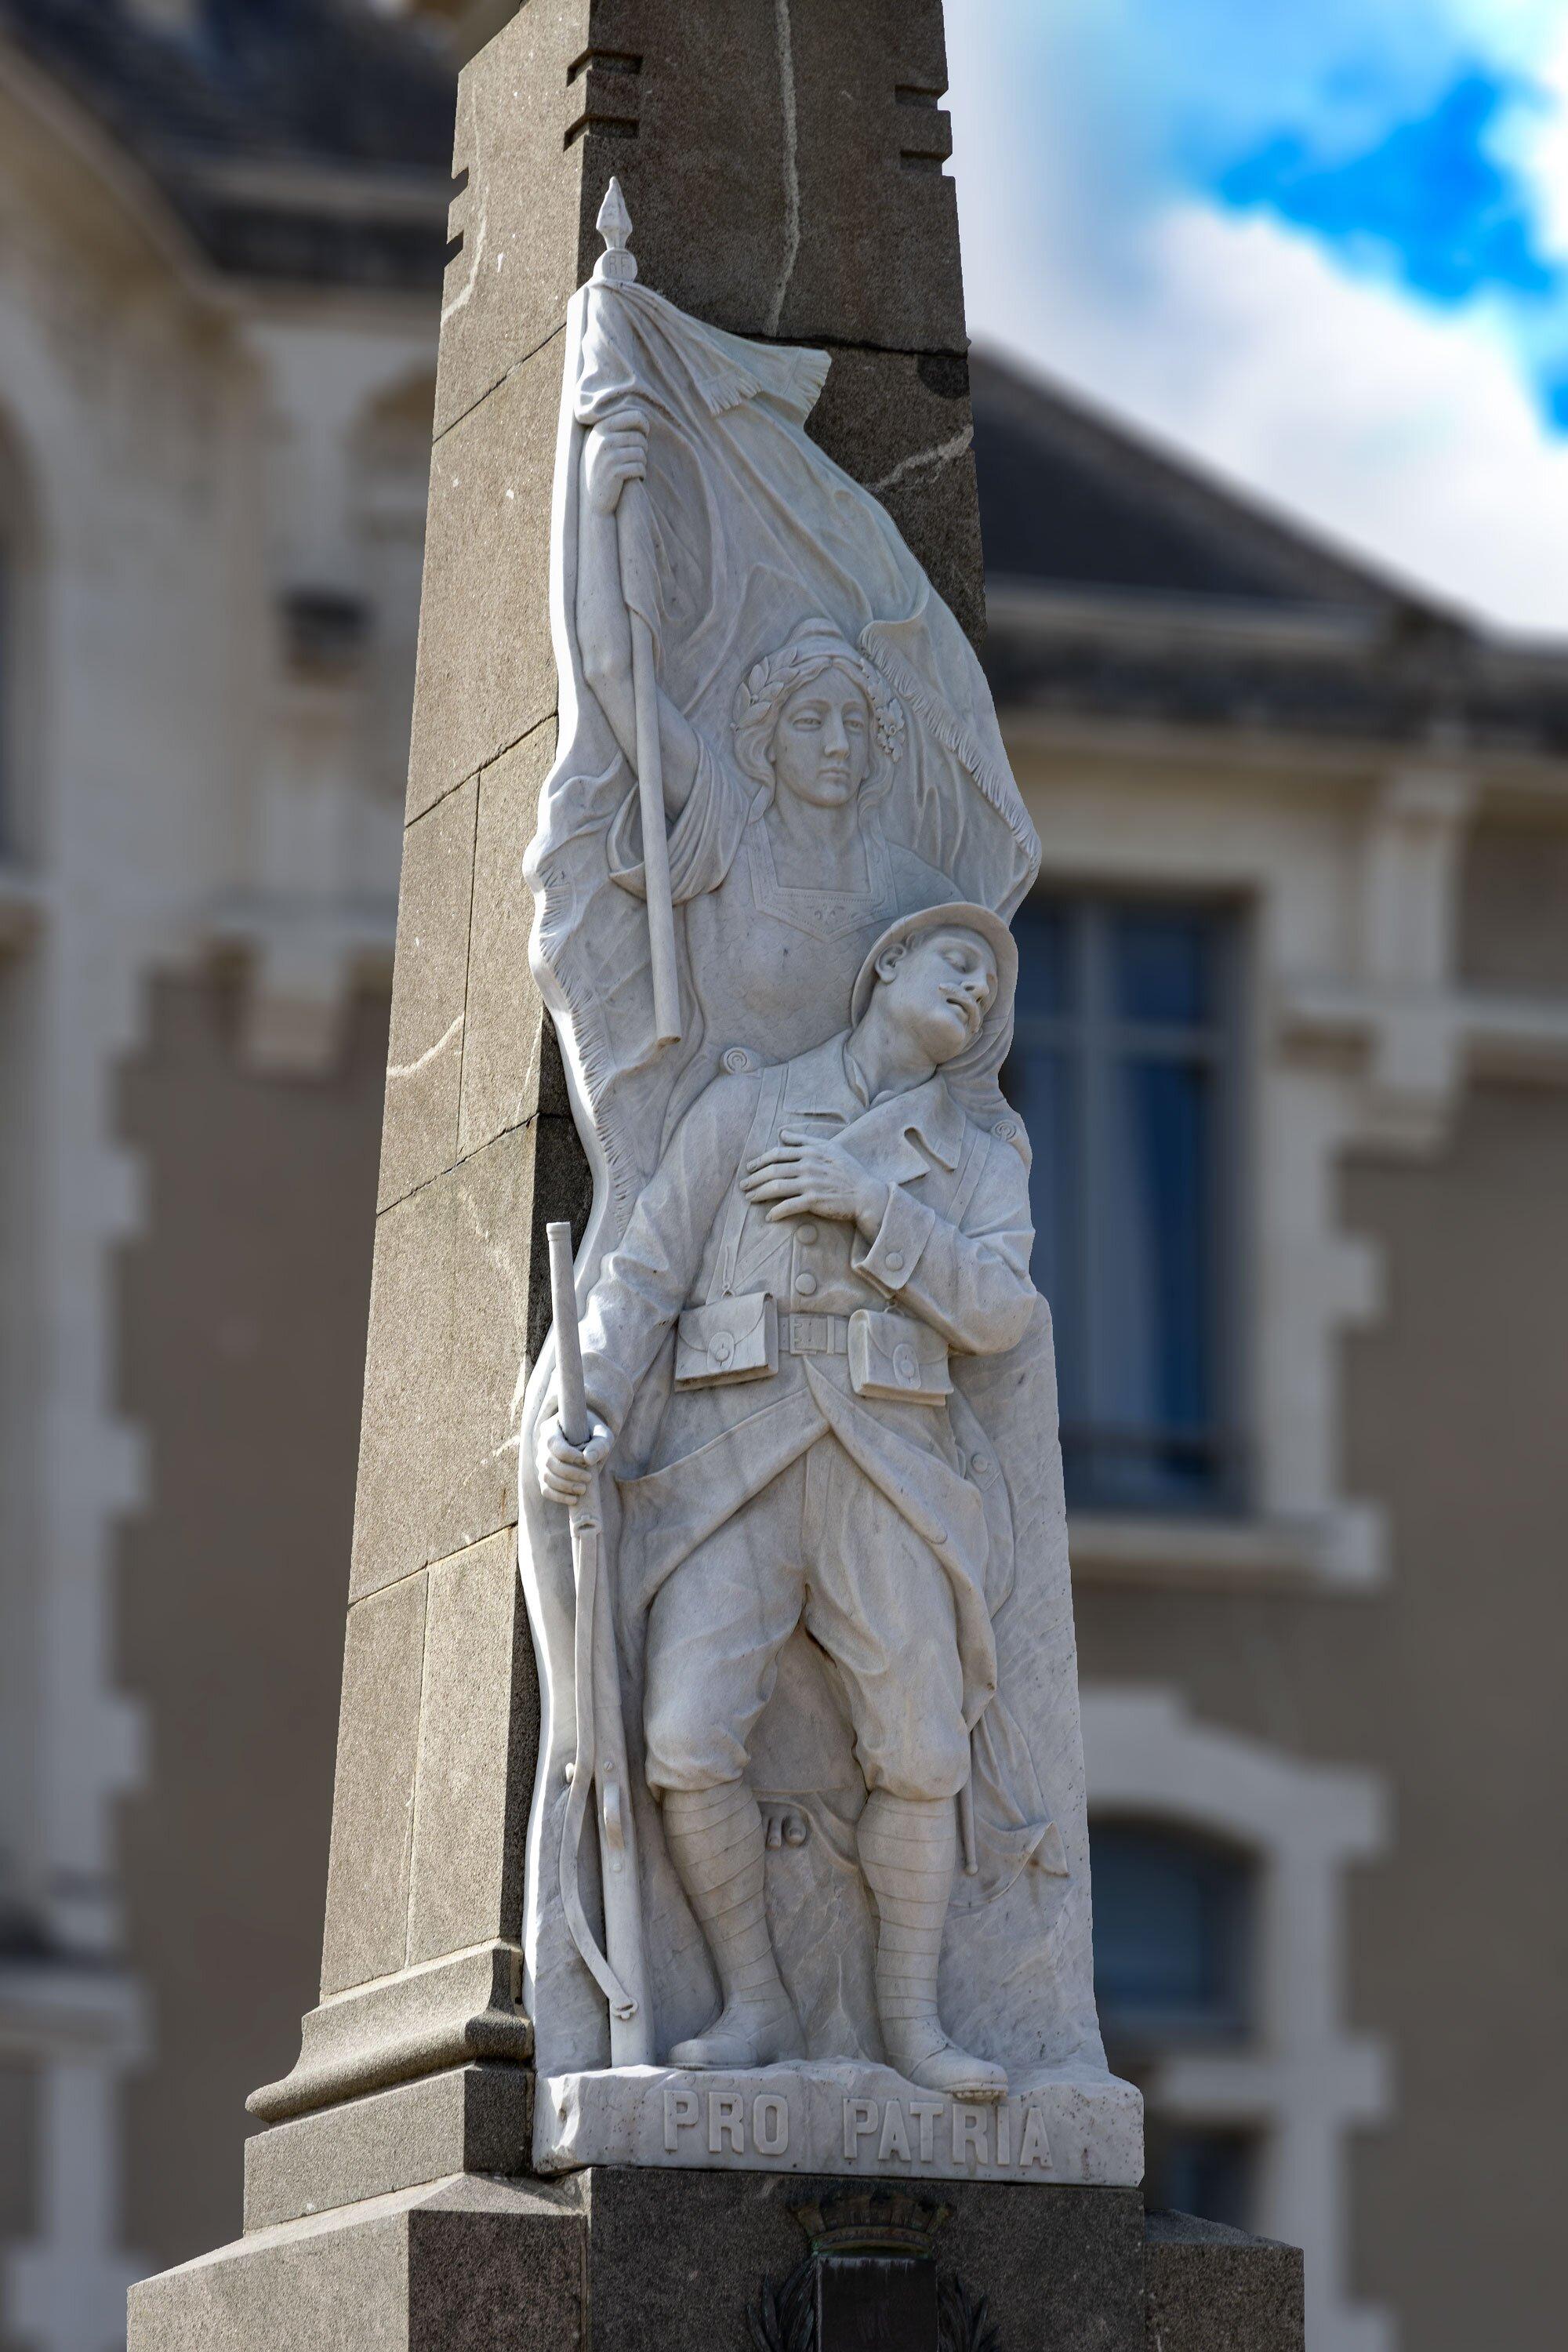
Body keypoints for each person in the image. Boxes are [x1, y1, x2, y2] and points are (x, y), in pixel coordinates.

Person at [537, 905, 1036, 2100]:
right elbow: (647, 1265)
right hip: (734, 1457)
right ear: (883, 966)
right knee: (685, 1737)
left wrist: (874, 1204)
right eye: (955, 962)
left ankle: (912, 2023)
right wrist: (590, 1403)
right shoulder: (746, 1105)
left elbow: (1003, 1314)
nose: (976, 990)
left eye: (992, 985)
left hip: (886, 1464)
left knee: (921, 1750)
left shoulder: (977, 1158)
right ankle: (753, 1999)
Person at [575, 407, 959, 1092]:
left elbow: (961, 1071)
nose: (838, 744)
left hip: (859, 1168)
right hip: (727, 1150)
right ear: (767, 743)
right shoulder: (724, 829)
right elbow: (614, 673)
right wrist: (599, 513)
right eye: (810, 721)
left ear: (878, 747)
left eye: (856, 723)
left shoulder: (919, 893)